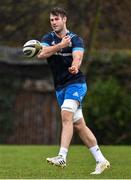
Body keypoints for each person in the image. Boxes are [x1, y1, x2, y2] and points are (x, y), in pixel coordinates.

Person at [37, 7, 110, 175]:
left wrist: (75, 66)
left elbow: (78, 57)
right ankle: (101, 160)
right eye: (51, 20)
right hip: (60, 88)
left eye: (56, 19)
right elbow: (41, 54)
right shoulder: (48, 38)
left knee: (66, 115)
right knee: (79, 125)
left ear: (64, 19)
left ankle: (62, 156)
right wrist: (60, 46)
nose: (53, 22)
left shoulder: (76, 39)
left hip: (76, 83)